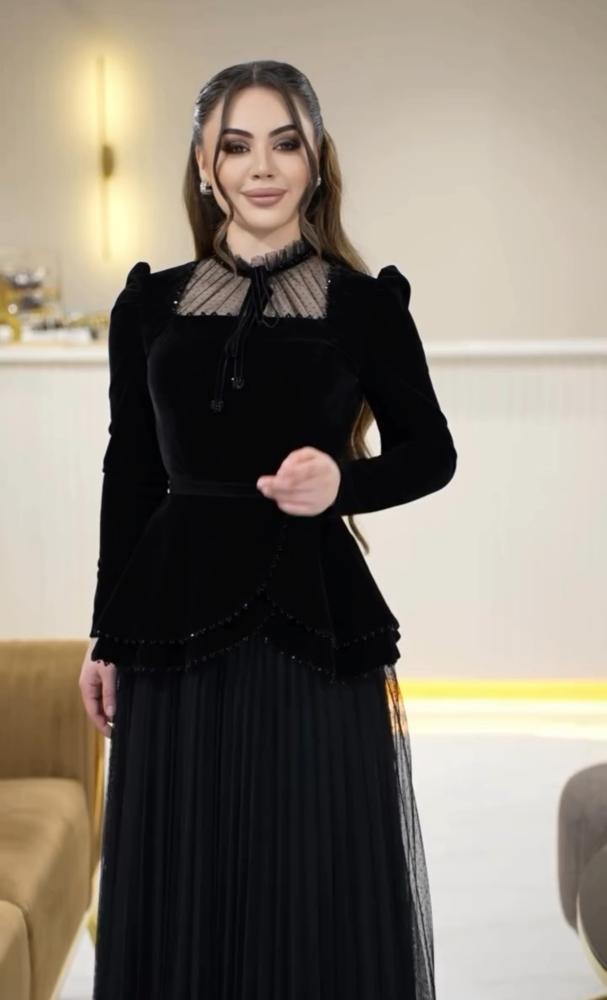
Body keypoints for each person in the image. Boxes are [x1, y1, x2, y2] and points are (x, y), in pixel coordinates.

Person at [79, 58, 457, 1000]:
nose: (262, 167)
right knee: (186, 879)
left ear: (316, 161)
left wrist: (341, 482)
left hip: (311, 620)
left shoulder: (365, 305)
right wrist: (105, 633)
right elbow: (131, 475)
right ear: (204, 167)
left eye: (284, 144)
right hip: (169, 625)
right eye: (236, 145)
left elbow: (431, 453)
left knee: (306, 871)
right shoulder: (148, 305)